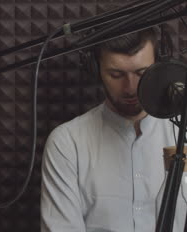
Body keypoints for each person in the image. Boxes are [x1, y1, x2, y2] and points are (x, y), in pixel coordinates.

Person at [40, 28, 184, 231]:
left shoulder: (182, 133)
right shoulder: (67, 143)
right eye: (116, 75)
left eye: (141, 73)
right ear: (95, 69)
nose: (131, 87)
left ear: (159, 66)